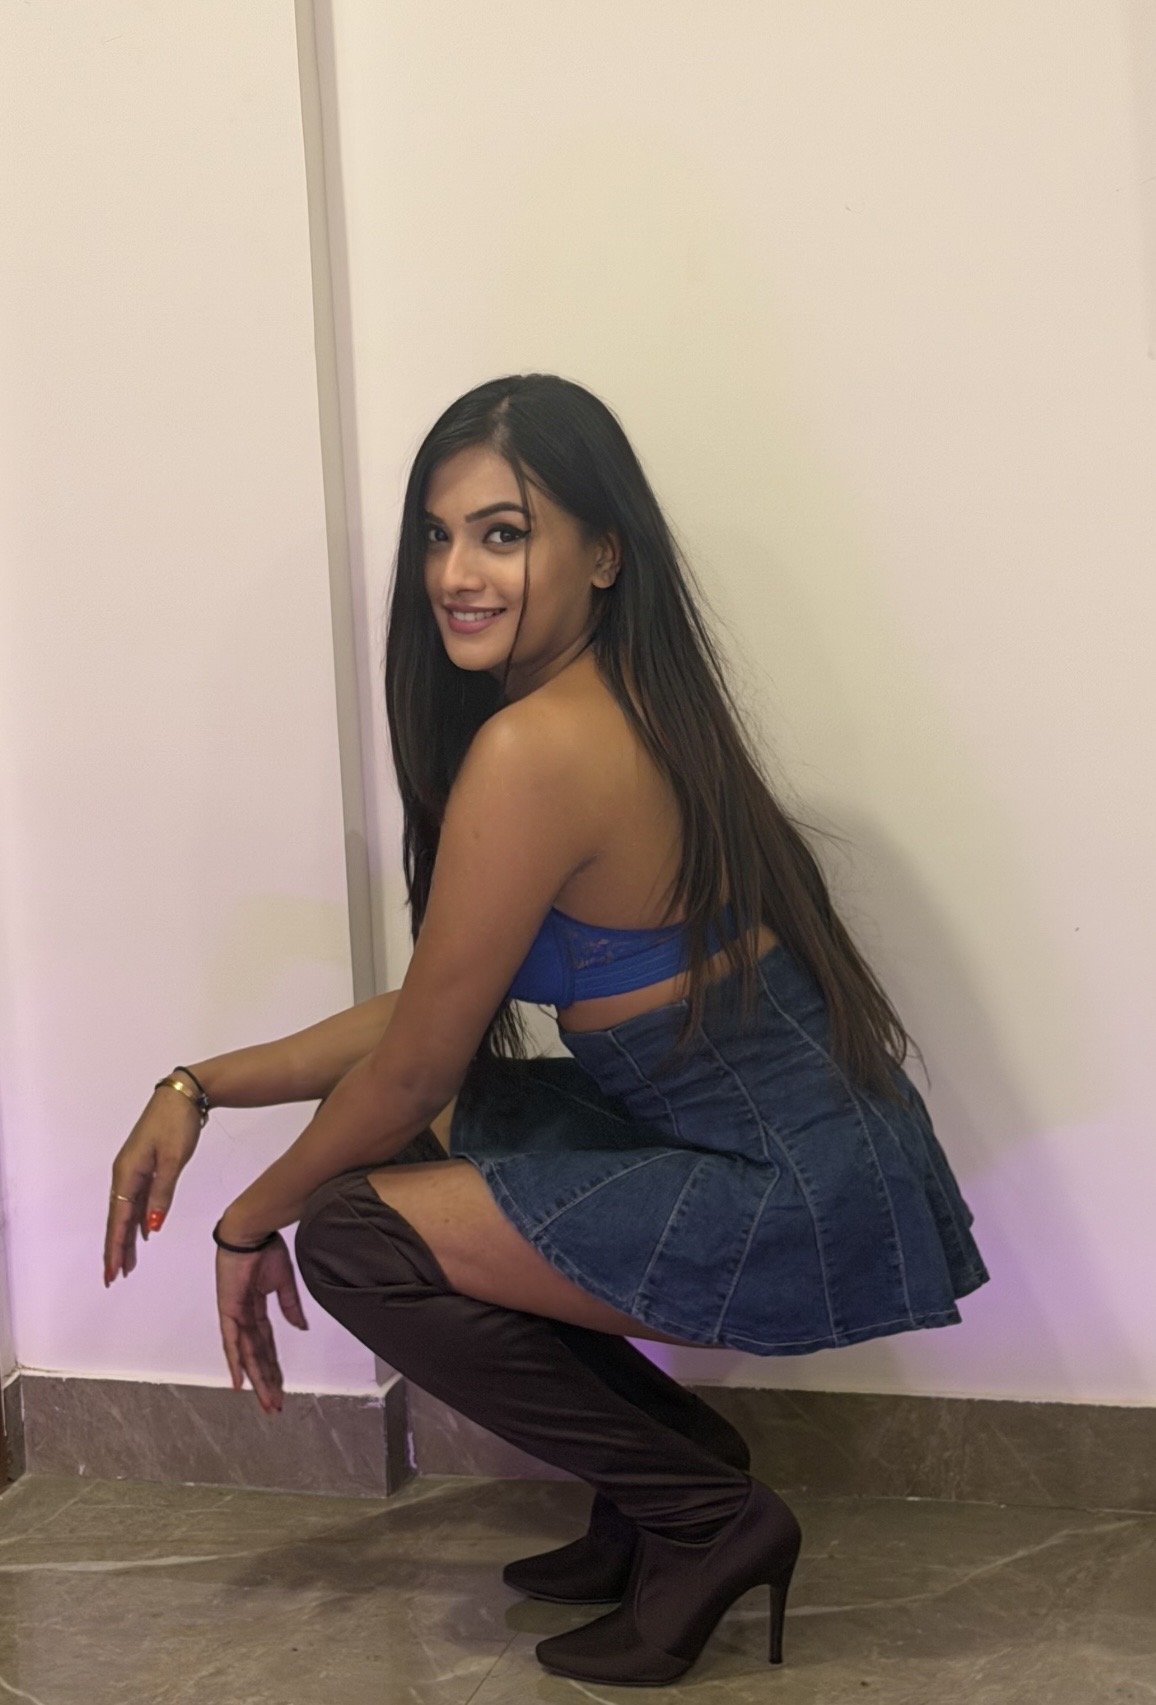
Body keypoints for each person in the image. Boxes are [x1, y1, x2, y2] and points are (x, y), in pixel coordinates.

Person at [104, 373, 990, 1686]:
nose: (455, 573)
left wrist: (248, 1221)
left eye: (503, 533)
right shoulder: (617, 703)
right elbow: (433, 1011)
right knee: (422, 1139)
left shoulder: (540, 748)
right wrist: (198, 1084)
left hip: (788, 1192)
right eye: (439, 534)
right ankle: (665, 1479)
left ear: (604, 554)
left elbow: (417, 1062)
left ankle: (703, 1513)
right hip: (808, 1160)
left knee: (352, 1232)